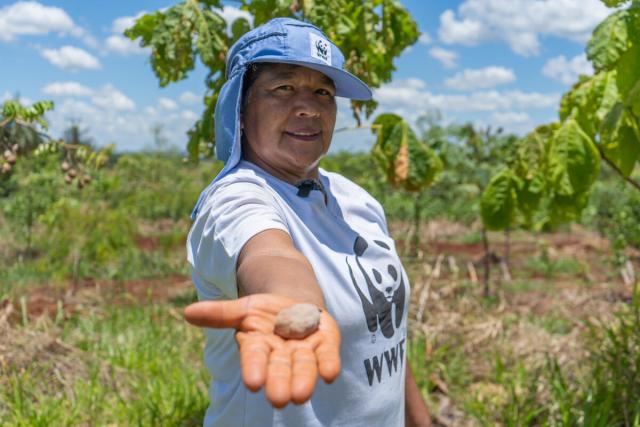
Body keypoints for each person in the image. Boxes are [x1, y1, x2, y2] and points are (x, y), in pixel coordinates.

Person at [185, 17, 432, 427]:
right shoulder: (235, 199)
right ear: (240, 108)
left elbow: (384, 336)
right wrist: (292, 304)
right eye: (283, 88)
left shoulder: (357, 200)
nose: (309, 107)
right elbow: (269, 254)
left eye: (323, 92)